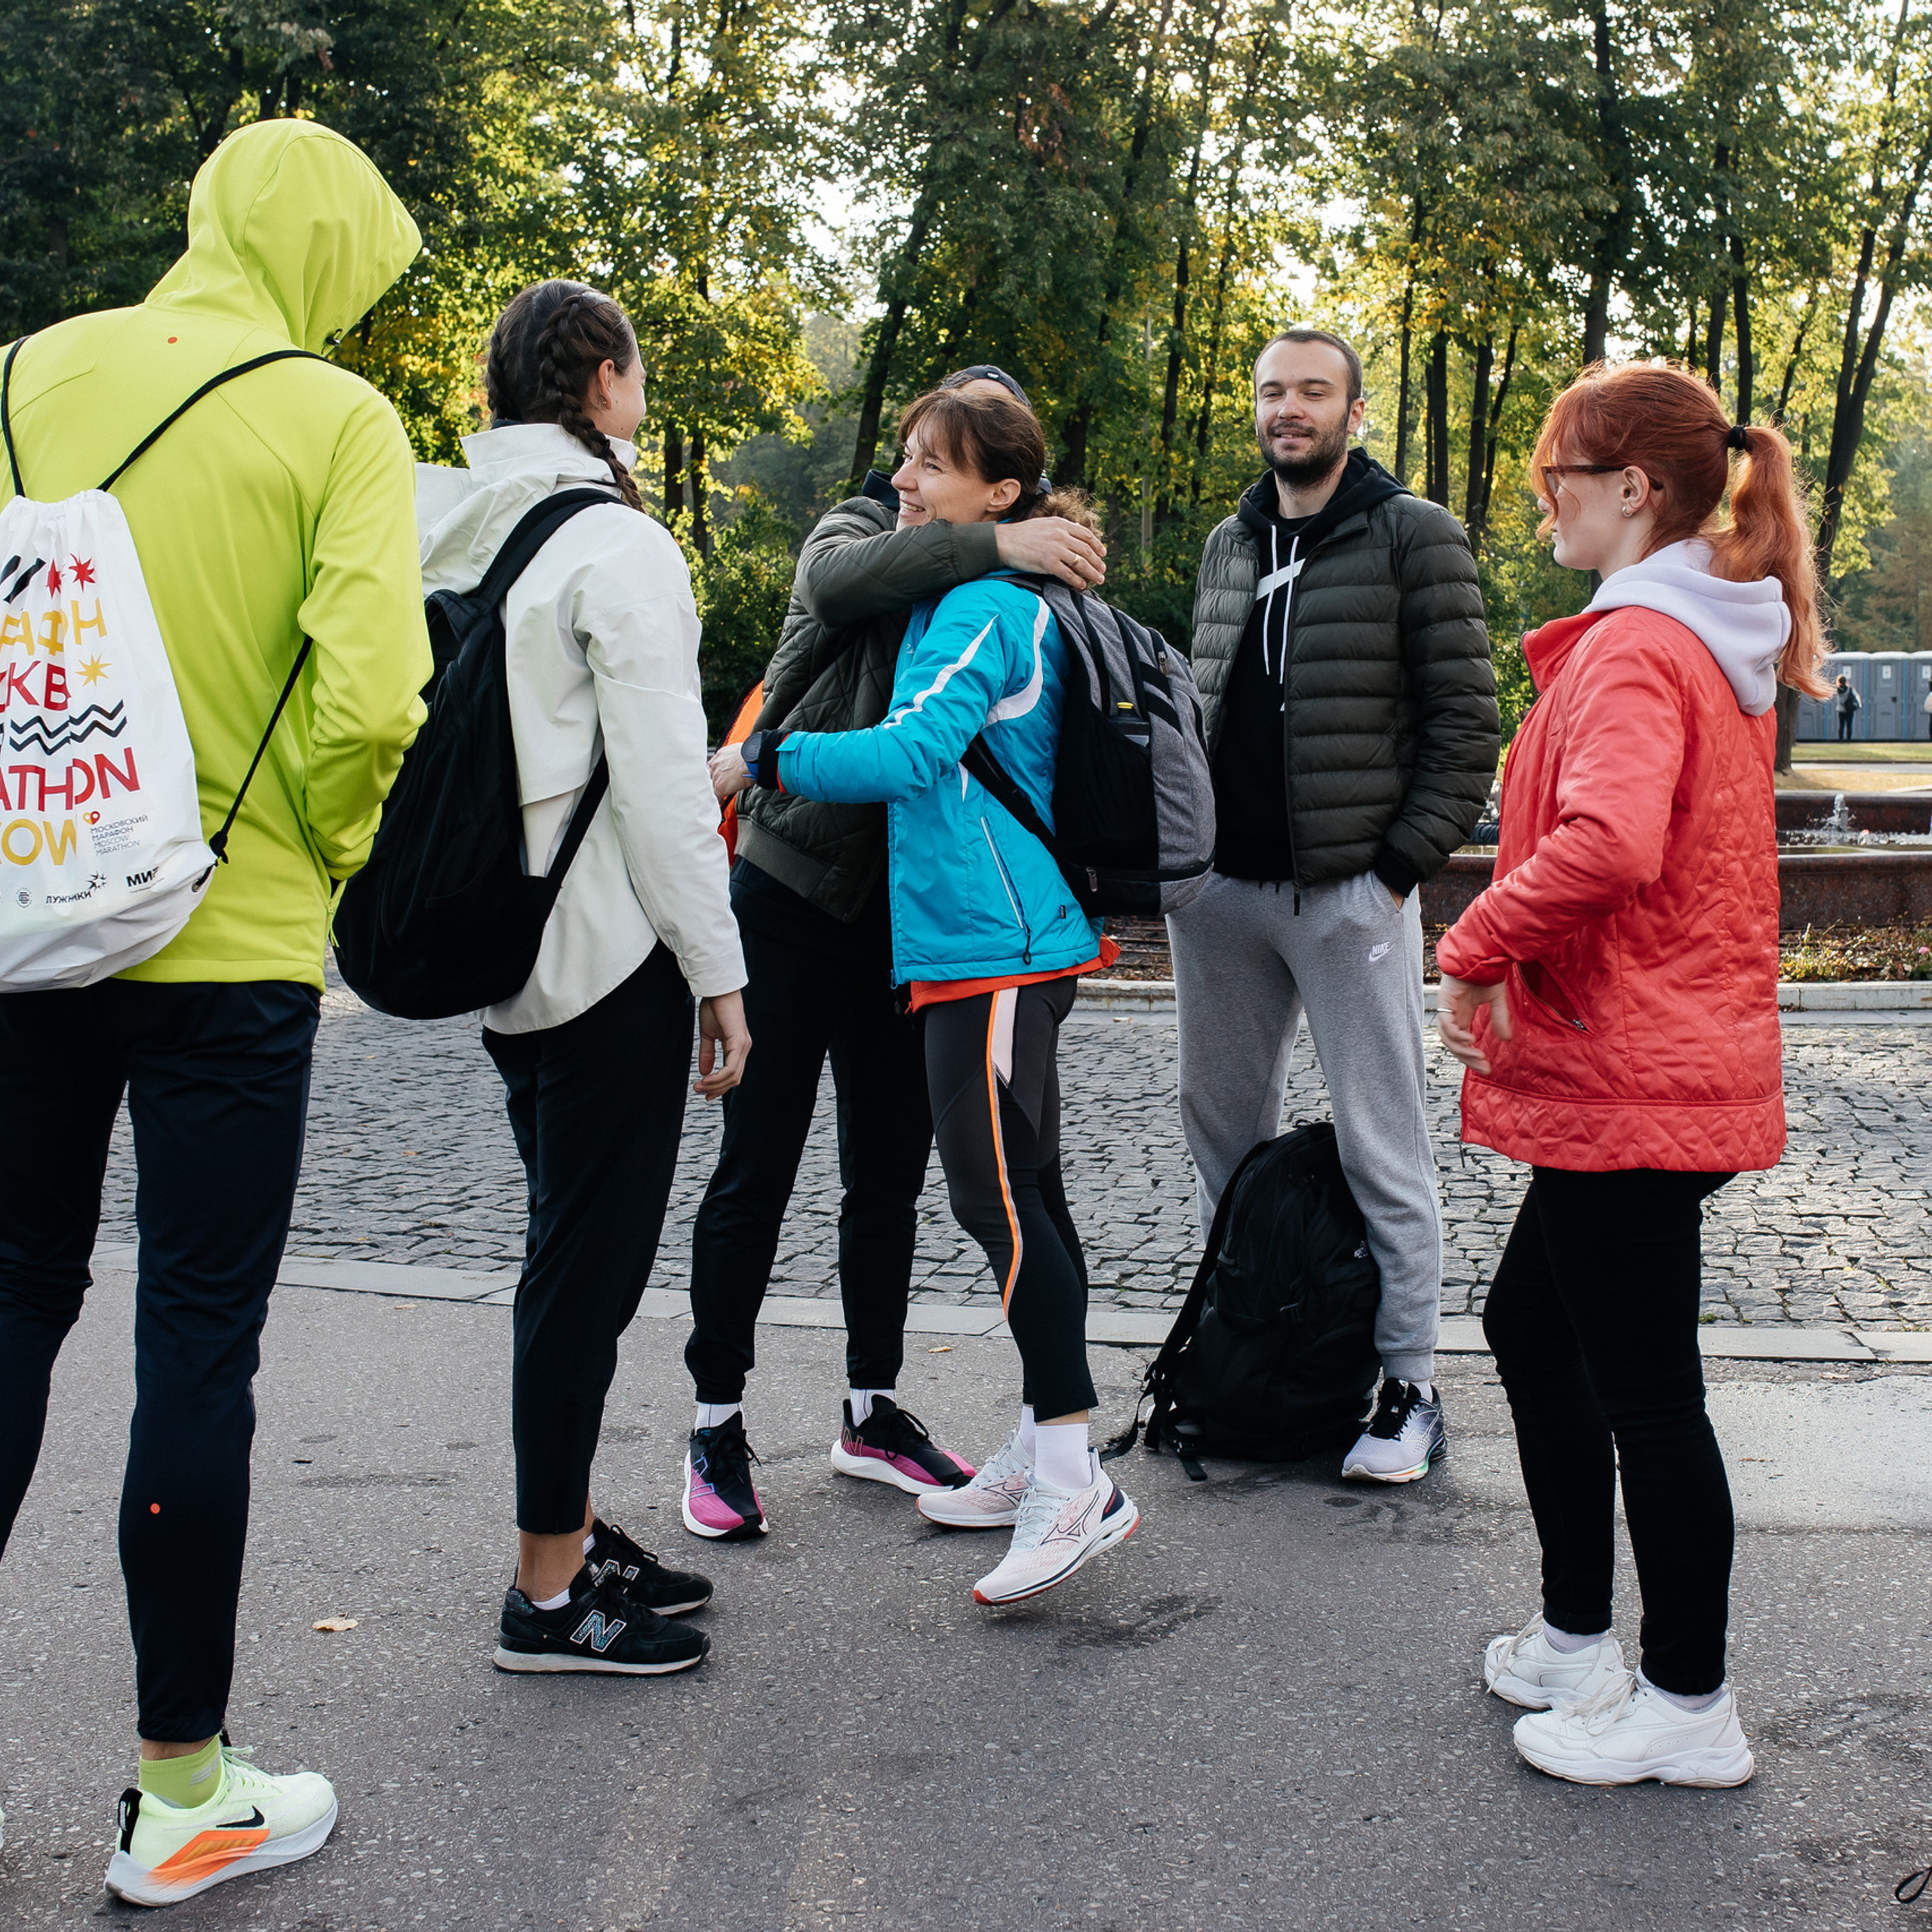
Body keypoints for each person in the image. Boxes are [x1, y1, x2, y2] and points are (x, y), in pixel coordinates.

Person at [0, 122, 431, 1906]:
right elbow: (375, 695)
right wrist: (298, 858)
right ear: (328, 255)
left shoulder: (24, 371)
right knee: (194, 1343)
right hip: (230, 945)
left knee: (13, 1289)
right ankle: (181, 1786)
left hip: (25, 924)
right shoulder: (334, 419)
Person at [1435, 363, 1826, 1786]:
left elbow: (1609, 845)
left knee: (1648, 1391)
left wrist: (1472, 947)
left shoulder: (1638, 647)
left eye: (1561, 476)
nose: (1544, 498)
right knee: (1536, 1330)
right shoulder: (1686, 635)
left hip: (1639, 1074)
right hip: (1654, 1062)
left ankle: (1687, 1702)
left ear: (1634, 490)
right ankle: (1576, 1639)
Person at [722, 386, 1140, 1606]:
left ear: (1000, 495)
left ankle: (1073, 1480)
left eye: (931, 466)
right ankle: (1044, 1440)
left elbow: (910, 755)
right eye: (903, 461)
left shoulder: (985, 605)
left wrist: (759, 758)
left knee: (995, 1200)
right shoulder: (976, 588)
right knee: (1027, 1198)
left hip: (996, 945)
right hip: (976, 942)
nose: (903, 481)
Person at [416, 279, 748, 1677]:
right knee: (584, 1277)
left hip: (502, 942)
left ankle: (576, 1520)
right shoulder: (616, 544)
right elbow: (671, 790)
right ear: (604, 379)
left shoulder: (445, 521)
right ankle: (547, 1597)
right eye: (637, 368)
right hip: (610, 949)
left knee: (564, 1249)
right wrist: (718, 973)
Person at [1169, 326, 1498, 1484]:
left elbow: (1467, 723)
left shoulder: (1413, 536)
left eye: (1313, 392)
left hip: (1349, 894)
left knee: (1382, 1137)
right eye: (1271, 391)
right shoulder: (1229, 538)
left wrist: (1396, 873)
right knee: (1220, 1128)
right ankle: (1253, 1351)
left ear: (1355, 412)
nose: (1288, 409)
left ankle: (1407, 1383)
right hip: (1218, 897)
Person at [1835, 672, 1860, 740]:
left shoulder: (1837, 690)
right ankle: (1848, 739)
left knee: (1841, 725)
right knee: (1849, 725)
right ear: (1846, 681)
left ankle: (1841, 740)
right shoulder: (1850, 689)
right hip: (1849, 709)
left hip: (1840, 709)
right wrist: (1858, 705)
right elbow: (1856, 697)